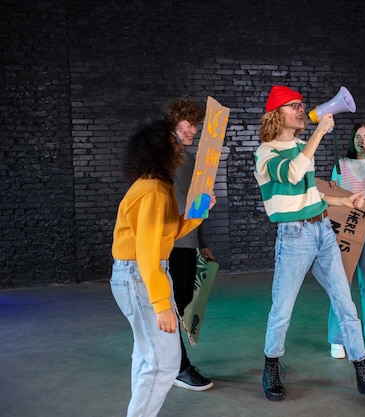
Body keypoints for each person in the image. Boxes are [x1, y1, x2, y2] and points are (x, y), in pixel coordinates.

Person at [254, 85, 365, 406]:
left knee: (346, 304)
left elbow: (311, 193)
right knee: (282, 310)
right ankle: (271, 366)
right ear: (277, 114)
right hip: (294, 236)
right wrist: (319, 134)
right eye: (294, 106)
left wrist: (345, 198)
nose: (302, 110)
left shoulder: (302, 145)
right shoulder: (265, 153)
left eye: (303, 105)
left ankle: (361, 370)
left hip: (323, 231)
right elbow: (291, 174)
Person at [110, 120, 214, 417]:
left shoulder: (157, 186)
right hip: (141, 275)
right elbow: (146, 253)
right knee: (165, 363)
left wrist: (199, 212)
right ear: (160, 149)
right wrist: (162, 305)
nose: (181, 144)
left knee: (147, 358)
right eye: (174, 140)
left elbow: (167, 233)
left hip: (139, 274)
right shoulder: (153, 191)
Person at [164, 98, 215, 391]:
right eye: (188, 123)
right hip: (167, 243)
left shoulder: (191, 159)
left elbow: (197, 207)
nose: (193, 130)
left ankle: (171, 360)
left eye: (196, 125)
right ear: (173, 123)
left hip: (188, 242)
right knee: (171, 307)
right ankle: (179, 367)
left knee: (183, 307)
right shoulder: (161, 158)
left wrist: (202, 242)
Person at [327, 122, 365, 359]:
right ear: (352, 140)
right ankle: (336, 338)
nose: (362, 140)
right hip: (348, 227)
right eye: (358, 137)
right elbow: (334, 199)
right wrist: (334, 190)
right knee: (342, 284)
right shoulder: (341, 165)